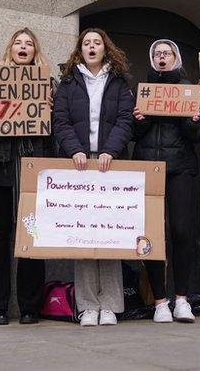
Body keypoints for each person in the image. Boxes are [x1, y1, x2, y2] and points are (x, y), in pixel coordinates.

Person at [52, 28, 135, 327]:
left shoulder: (119, 81)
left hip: (110, 165)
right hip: (79, 168)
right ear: (80, 49)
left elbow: (126, 120)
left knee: (109, 233)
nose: (91, 47)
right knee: (83, 234)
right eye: (86, 43)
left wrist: (111, 150)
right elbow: (59, 121)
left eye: (97, 42)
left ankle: (111, 305)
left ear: (105, 48)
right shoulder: (68, 81)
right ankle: (87, 306)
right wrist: (74, 149)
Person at [0, 28, 51, 325]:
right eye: (18, 43)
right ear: (10, 49)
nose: (23, 47)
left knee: (32, 233)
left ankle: (31, 306)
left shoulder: (49, 85)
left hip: (33, 170)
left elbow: (58, 127)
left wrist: (51, 110)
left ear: (35, 51)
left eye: (29, 43)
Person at [131, 39, 200, 323]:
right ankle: (160, 301)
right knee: (151, 235)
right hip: (148, 168)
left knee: (182, 231)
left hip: (181, 168)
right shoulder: (143, 91)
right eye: (157, 54)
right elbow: (134, 133)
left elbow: (194, 137)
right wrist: (140, 118)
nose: (162, 57)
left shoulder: (188, 90)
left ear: (176, 58)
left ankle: (182, 298)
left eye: (167, 53)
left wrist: (194, 119)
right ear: (152, 60)